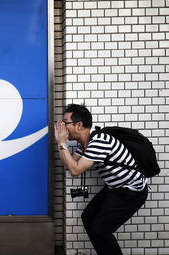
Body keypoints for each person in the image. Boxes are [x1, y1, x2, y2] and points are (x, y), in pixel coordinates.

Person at [54, 104, 148, 255]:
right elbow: (68, 164)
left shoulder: (99, 141)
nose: (63, 127)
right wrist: (61, 143)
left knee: (100, 230)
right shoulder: (86, 143)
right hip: (115, 188)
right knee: (88, 217)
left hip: (131, 191)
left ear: (79, 125)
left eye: (66, 123)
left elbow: (75, 170)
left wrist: (63, 143)